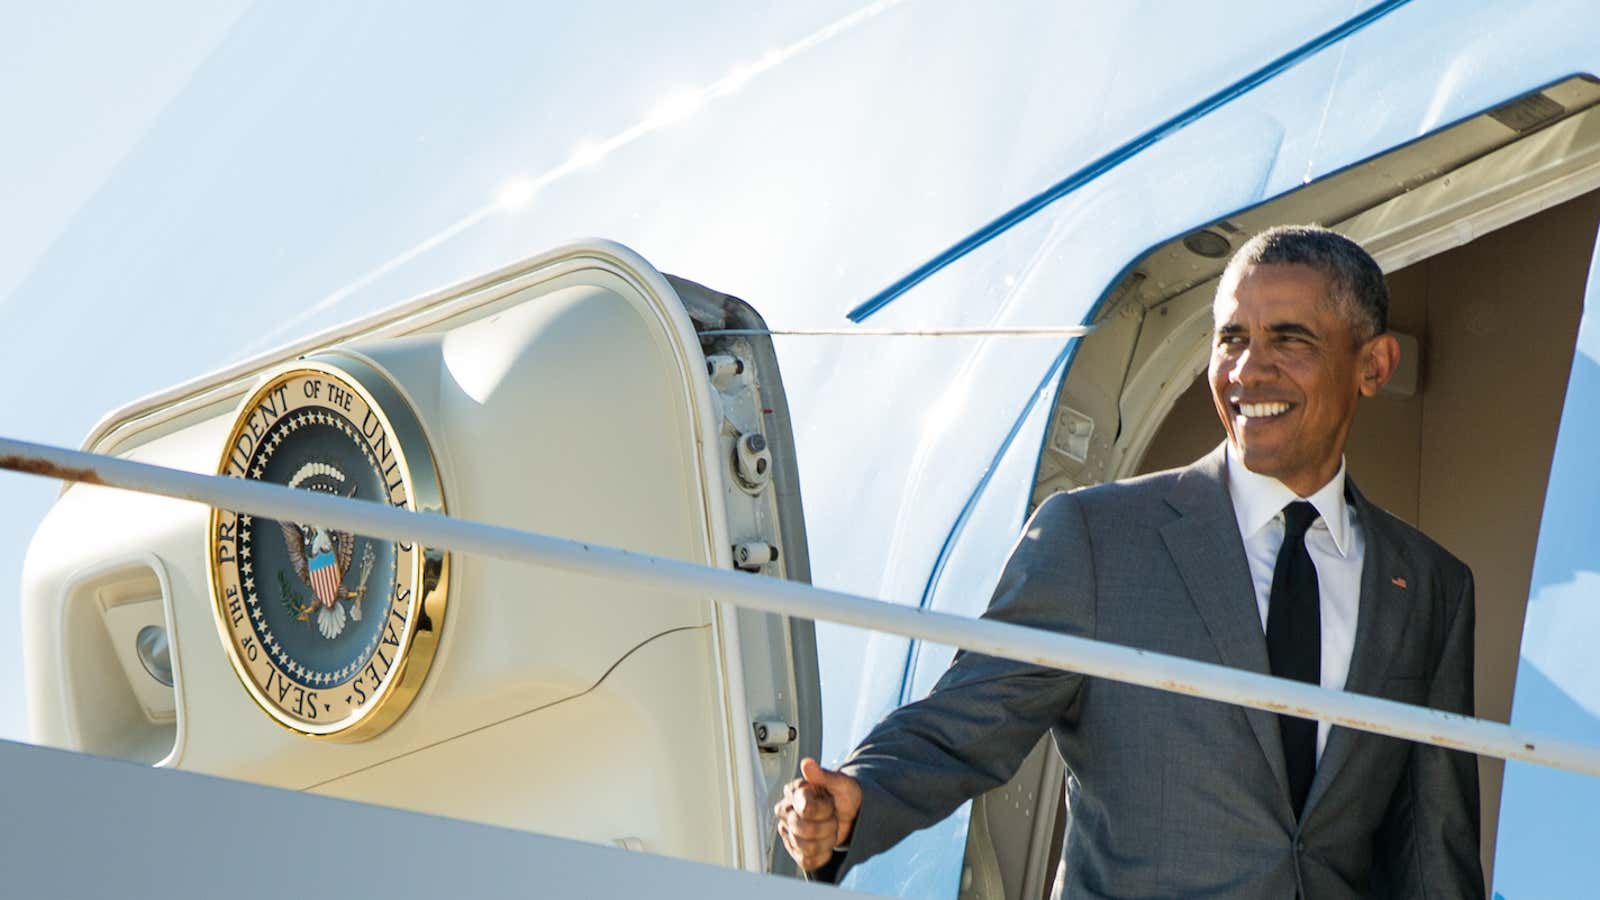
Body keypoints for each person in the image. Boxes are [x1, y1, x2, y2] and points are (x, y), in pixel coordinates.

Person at [776, 225, 1483, 898]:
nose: (1246, 369)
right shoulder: (1097, 536)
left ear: (1374, 365)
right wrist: (855, 801)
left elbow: (1432, 840)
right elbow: (970, 718)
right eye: (1231, 337)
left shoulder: (1428, 585)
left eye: (1288, 339)